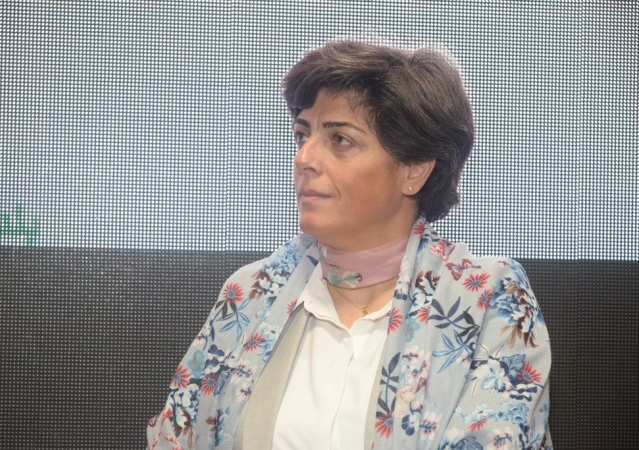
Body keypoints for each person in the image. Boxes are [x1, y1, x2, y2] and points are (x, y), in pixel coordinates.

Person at [147, 40, 552, 449]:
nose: (303, 158)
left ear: (414, 169)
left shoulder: (486, 298)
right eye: (302, 135)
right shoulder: (249, 294)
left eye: (339, 139)